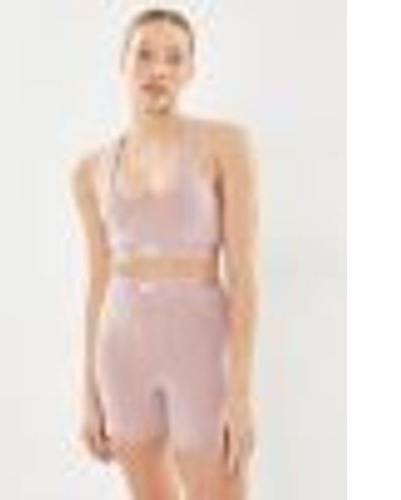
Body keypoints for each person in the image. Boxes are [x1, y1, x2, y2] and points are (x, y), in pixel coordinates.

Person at [70, 7, 259, 500]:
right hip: (121, 350)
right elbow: (97, 280)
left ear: (191, 70)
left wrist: (239, 393)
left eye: (175, 58)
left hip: (200, 346)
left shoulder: (226, 146)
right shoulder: (90, 170)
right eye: (145, 55)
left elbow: (244, 276)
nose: (159, 69)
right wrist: (88, 390)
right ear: (123, 63)